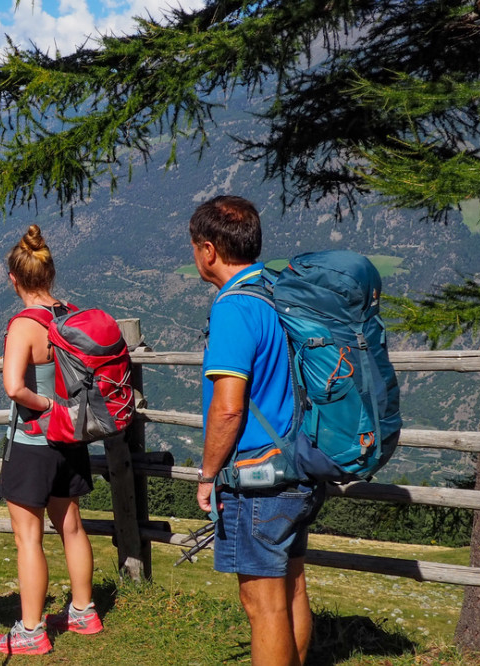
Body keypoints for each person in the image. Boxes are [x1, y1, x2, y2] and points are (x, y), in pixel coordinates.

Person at [190, 196, 326, 665]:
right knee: (292, 589)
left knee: (261, 604)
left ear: (209, 250)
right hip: (300, 463)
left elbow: (228, 410)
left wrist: (207, 475)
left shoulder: (234, 307)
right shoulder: (277, 291)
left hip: (258, 478)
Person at [0, 225, 101, 656]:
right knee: (71, 525)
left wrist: (46, 406)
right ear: (49, 273)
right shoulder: (70, 315)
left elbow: (14, 387)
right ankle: (82, 610)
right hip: (71, 439)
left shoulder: (25, 324)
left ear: (14, 279)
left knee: (28, 538)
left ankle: (31, 631)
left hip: (33, 442)